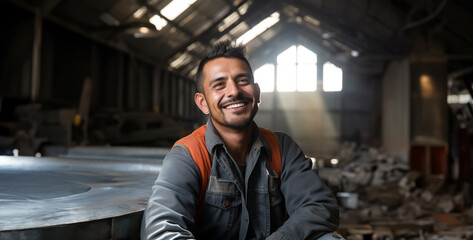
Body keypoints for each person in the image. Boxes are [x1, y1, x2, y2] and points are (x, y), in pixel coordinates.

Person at [141, 40, 341, 240]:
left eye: (243, 80)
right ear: (203, 103)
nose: (234, 91)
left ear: (257, 92)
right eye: (219, 85)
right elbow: (162, 229)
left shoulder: (282, 148)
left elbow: (319, 206)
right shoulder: (190, 154)